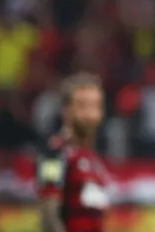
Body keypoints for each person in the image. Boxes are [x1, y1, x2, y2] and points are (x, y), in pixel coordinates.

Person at [36, 73, 109, 232]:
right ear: (67, 110)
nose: (91, 114)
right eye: (82, 106)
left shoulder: (93, 159)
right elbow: (49, 213)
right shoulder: (55, 153)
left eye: (95, 106)